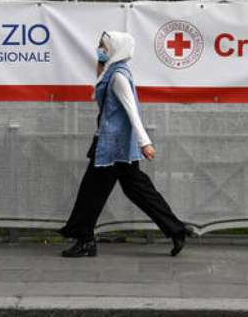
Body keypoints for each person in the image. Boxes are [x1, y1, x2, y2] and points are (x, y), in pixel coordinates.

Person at [58, 31, 195, 257]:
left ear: (115, 48)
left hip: (112, 148)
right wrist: (101, 62)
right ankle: (176, 230)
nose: (99, 49)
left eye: (103, 46)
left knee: (91, 192)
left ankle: (85, 240)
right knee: (137, 189)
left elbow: (132, 111)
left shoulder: (119, 76)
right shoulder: (111, 72)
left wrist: (145, 143)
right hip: (112, 145)